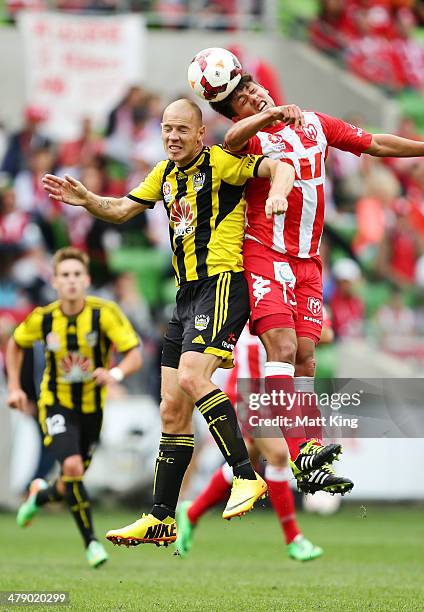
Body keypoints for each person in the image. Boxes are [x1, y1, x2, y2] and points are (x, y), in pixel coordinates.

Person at [205, 64, 424, 493]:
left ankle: (311, 458)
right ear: (235, 112)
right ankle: (301, 454)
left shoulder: (315, 123)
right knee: (280, 346)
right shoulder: (249, 140)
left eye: (253, 89)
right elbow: (230, 140)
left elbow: (374, 143)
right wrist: (268, 116)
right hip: (264, 253)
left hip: (308, 263)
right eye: (241, 100)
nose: (253, 97)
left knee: (306, 358)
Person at [41, 99, 296, 548]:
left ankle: (245, 475)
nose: (173, 136)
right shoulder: (163, 174)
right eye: (166, 129)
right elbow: (120, 210)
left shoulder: (221, 161)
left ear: (200, 133)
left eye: (182, 129)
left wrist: (277, 191)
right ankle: (161, 516)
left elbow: (277, 168)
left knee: (193, 378)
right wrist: (86, 201)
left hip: (221, 285)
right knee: (171, 410)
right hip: (185, 297)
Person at [6, 247, 143, 568]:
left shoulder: (103, 313)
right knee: (72, 468)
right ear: (54, 281)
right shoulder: (45, 318)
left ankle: (40, 494)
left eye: (76, 275)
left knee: (70, 481)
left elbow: (133, 352)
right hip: (55, 405)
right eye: (65, 275)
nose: (71, 281)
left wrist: (114, 374)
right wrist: (14, 387)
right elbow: (16, 343)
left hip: (92, 411)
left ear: (87, 280)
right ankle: (92, 543)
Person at [176, 321, 329, 562]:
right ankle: (294, 539)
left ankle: (191, 513)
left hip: (274, 395)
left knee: (246, 459)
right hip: (247, 395)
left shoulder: (284, 301)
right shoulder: (252, 301)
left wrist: (315, 323)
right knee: (278, 455)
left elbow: (324, 335)